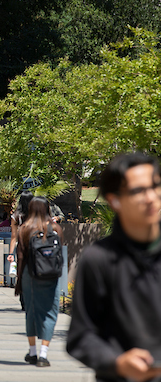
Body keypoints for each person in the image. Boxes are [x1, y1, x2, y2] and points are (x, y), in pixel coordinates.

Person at [67, 152, 161, 382]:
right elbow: (81, 337)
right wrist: (117, 362)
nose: (151, 197)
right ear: (114, 200)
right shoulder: (98, 259)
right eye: (138, 191)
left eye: (156, 186)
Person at [15, 196, 63, 367]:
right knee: (50, 311)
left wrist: (19, 281)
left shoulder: (25, 229)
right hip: (52, 274)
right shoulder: (55, 228)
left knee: (32, 311)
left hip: (30, 274)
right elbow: (60, 254)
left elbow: (20, 257)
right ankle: (44, 354)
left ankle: (33, 352)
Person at [7, 190, 34, 262]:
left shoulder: (16, 216)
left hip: (22, 247)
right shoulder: (36, 215)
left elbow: (14, 236)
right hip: (35, 245)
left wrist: (11, 253)